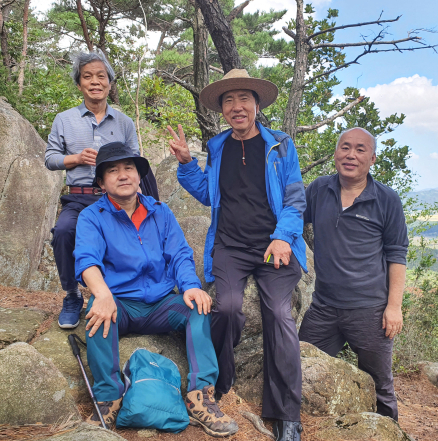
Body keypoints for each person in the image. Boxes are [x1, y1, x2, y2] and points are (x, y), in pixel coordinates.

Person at [167, 69, 307, 441]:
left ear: (257, 105)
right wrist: (185, 163)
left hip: (273, 246)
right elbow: (209, 194)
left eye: (244, 98)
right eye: (228, 101)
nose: (236, 106)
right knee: (226, 308)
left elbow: (295, 198)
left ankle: (287, 415)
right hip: (230, 245)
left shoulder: (280, 145)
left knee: (278, 314)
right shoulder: (217, 146)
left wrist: (282, 237)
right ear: (223, 110)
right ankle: (219, 387)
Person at [73, 142, 238, 436]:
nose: (122, 175)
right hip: (120, 303)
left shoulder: (161, 213)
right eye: (113, 171)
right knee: (96, 315)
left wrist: (190, 286)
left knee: (199, 309)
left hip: (162, 303)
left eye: (129, 169)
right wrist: (102, 294)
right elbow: (87, 260)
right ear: (101, 181)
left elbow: (180, 255)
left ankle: (201, 398)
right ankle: (109, 398)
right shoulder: (92, 217)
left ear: (138, 176)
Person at [298, 127, 408, 421]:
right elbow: (292, 222)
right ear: (335, 154)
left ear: (372, 159)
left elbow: (397, 255)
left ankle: (390, 432)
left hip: (370, 311)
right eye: (345, 147)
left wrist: (394, 307)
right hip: (324, 307)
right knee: (298, 366)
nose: (351, 155)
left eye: (360, 150)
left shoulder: (387, 200)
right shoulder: (319, 189)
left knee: (380, 387)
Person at [44, 51, 158, 330]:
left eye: (101, 76)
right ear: (79, 83)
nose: (95, 82)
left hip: (116, 200)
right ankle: (72, 295)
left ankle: (128, 294)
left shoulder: (124, 123)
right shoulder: (64, 119)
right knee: (63, 232)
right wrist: (76, 159)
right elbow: (50, 159)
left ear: (109, 82)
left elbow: (135, 165)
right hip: (79, 197)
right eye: (87, 76)